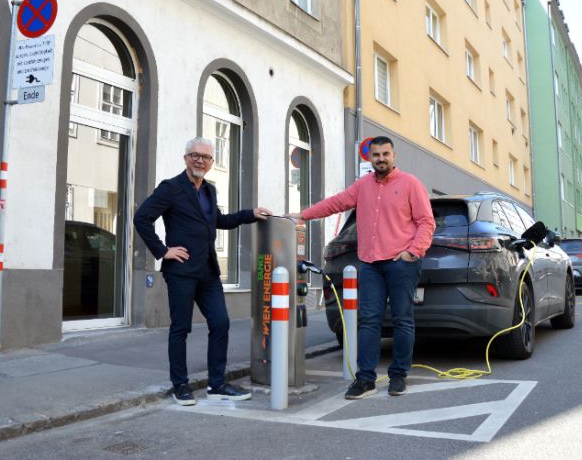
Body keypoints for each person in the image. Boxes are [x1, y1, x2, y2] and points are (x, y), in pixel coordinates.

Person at [288, 136, 434, 398]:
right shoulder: (362, 186)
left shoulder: (411, 184)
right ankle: (365, 379)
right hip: (369, 264)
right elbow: (336, 202)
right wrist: (303, 215)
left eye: (385, 154)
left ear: (394, 155)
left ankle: (398, 376)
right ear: (370, 158)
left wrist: (413, 252)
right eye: (376, 155)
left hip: (401, 263)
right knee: (368, 321)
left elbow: (426, 222)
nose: (381, 159)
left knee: (402, 320)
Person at [134, 136, 272, 406]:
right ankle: (180, 385)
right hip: (182, 271)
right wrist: (163, 251)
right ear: (186, 158)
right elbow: (142, 218)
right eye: (195, 155)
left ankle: (217, 384)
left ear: (211, 162)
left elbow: (217, 221)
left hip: (208, 271)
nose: (200, 160)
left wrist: (249, 214)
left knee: (220, 323)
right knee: (181, 328)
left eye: (206, 157)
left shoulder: (209, 189)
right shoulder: (170, 188)